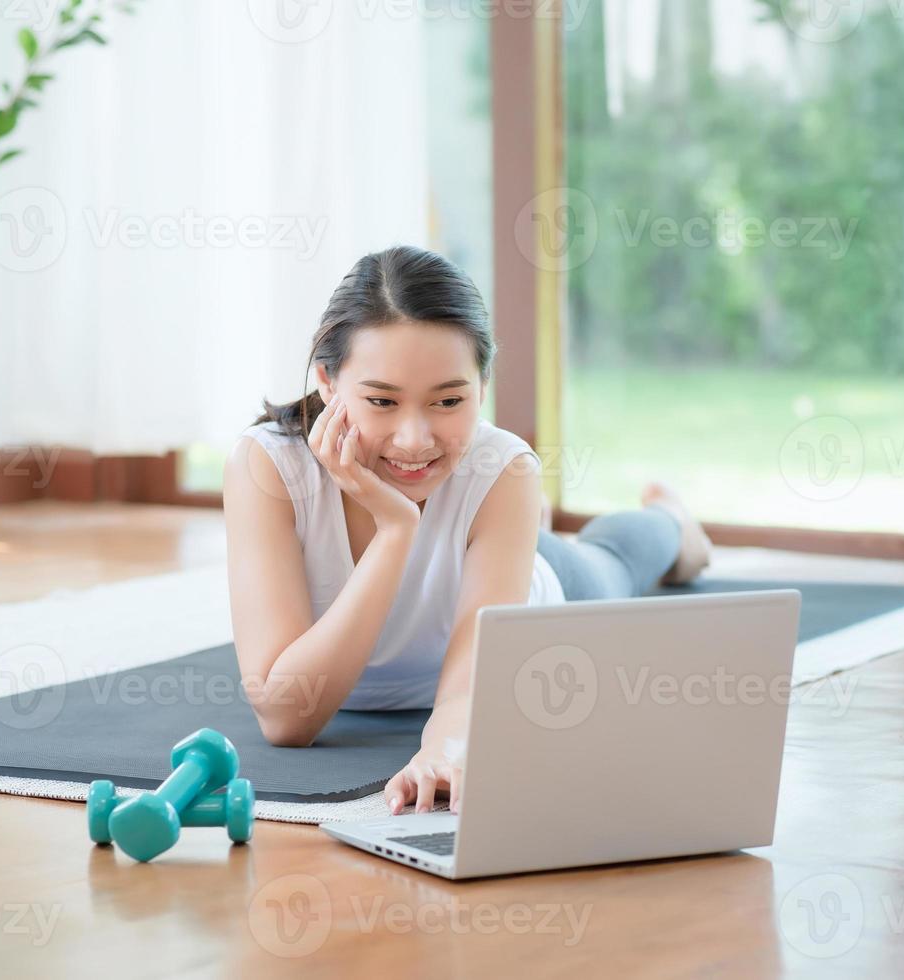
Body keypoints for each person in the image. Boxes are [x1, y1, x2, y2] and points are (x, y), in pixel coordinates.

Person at [223, 245, 713, 816]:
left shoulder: (503, 467)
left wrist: (444, 749)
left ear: (483, 383)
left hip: (531, 588)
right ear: (329, 382)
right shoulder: (268, 467)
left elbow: (464, 690)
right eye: (382, 400)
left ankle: (673, 522)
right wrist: (397, 530)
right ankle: (525, 529)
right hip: (472, 536)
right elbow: (286, 717)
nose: (414, 439)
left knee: (616, 564)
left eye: (449, 400)